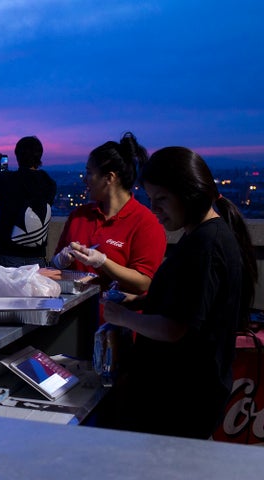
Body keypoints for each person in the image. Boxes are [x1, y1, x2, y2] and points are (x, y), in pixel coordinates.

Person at [101, 146, 258, 439]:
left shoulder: (205, 246)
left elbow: (176, 327)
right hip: (189, 394)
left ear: (189, 193)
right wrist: (140, 301)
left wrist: (122, 317)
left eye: (161, 199)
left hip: (183, 399)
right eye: (150, 199)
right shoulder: (205, 234)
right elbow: (191, 300)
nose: (154, 208)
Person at [51, 132, 166, 295]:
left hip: (116, 317)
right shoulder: (79, 216)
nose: (86, 179)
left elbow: (143, 283)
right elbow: (54, 267)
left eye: (90, 173)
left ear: (109, 178)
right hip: (74, 314)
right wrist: (59, 261)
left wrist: (103, 262)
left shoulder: (145, 223)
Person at [0, 136, 57, 267]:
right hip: (38, 257)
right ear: (39, 156)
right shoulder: (49, 183)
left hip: (9, 255)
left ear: (17, 156)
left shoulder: (7, 180)